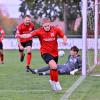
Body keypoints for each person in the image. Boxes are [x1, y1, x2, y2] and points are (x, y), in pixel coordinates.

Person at [16, 18, 67, 91]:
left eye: (48, 26)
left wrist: (64, 41)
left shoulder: (56, 29)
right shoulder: (39, 31)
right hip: (45, 52)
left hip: (55, 53)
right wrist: (20, 36)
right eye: (45, 26)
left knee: (53, 68)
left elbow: (63, 36)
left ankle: (52, 82)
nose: (47, 27)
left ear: (50, 24)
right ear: (42, 25)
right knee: (54, 66)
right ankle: (57, 83)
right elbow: (28, 35)